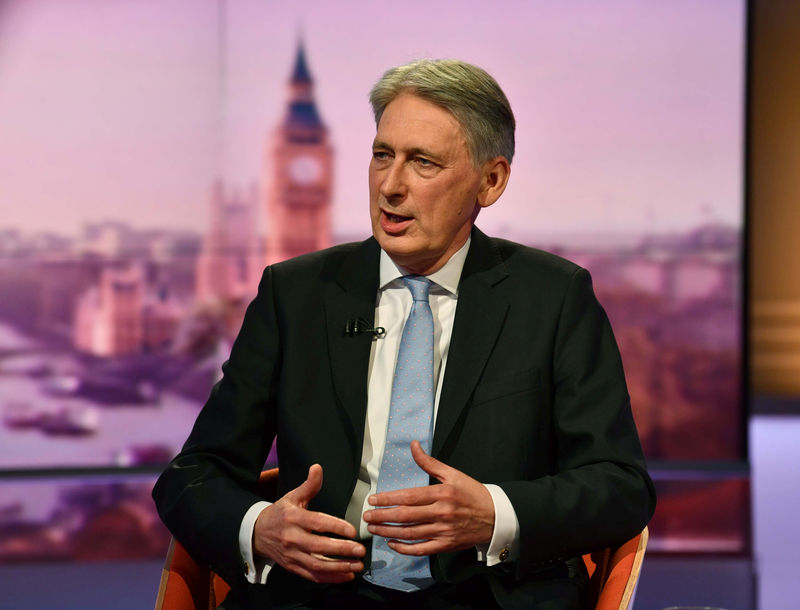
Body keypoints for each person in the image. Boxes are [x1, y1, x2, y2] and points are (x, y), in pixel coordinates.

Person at [153, 58, 656, 610]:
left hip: (484, 594)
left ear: (490, 181)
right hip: (318, 594)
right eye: (382, 156)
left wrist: (495, 513)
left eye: (422, 163)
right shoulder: (296, 294)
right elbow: (192, 475)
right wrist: (259, 528)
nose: (391, 187)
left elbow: (621, 486)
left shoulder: (554, 299)